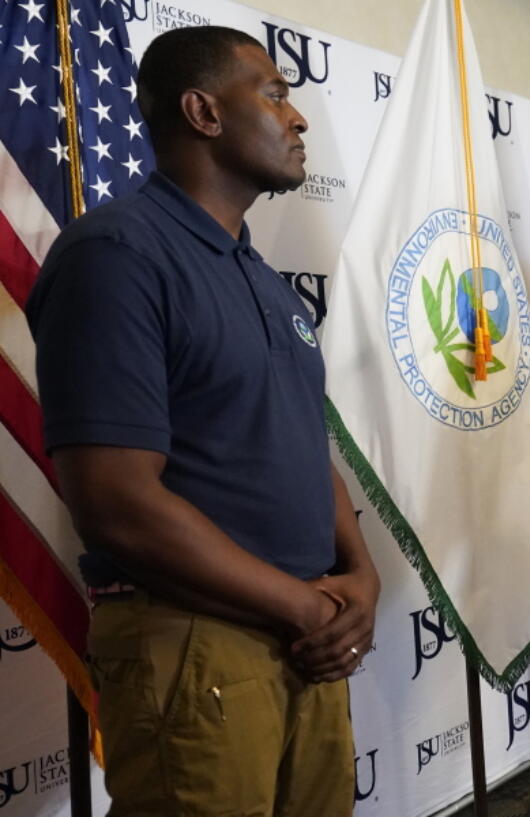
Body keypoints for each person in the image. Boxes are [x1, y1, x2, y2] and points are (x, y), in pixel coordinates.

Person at [25, 26, 379, 817]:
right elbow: (117, 501)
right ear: (203, 112)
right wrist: (303, 605)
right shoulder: (116, 254)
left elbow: (298, 440)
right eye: (276, 94)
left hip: (306, 639)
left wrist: (359, 573)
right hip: (197, 643)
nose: (299, 119)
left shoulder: (261, 277)